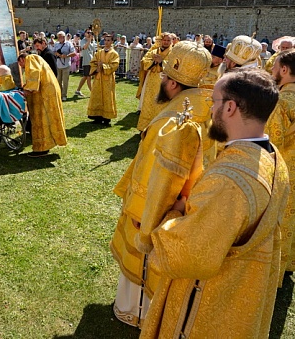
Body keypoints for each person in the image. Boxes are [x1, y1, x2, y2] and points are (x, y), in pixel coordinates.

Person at [140, 69, 289, 339]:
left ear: (230, 107)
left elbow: (189, 252)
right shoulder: (272, 157)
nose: (210, 109)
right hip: (246, 294)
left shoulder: (228, 181)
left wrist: (171, 214)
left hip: (210, 303)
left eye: (214, 101)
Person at [110, 41, 214, 328]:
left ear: (170, 82)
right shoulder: (210, 105)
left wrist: (143, 215)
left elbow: (153, 175)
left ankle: (135, 312)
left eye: (165, 78)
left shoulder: (171, 119)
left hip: (158, 207)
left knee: (144, 262)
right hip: (193, 203)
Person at [266, 49, 295, 278]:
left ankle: (275, 268)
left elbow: (273, 140)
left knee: (281, 217)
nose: (272, 71)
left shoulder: (281, 101)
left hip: (285, 167)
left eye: (274, 67)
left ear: (284, 70)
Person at [17, 53, 67, 157]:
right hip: (48, 91)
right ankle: (47, 144)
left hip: (44, 94)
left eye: (21, 64)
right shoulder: (38, 58)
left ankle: (41, 148)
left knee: (41, 119)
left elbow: (34, 73)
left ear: (22, 59)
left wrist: (29, 89)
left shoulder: (30, 58)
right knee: (49, 119)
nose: (22, 67)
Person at [136, 33, 173, 131]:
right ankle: (145, 127)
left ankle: (159, 128)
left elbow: (174, 66)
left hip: (164, 82)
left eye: (168, 40)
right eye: (164, 40)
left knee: (161, 104)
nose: (166, 42)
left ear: (171, 41)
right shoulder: (154, 51)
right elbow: (144, 61)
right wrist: (153, 62)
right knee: (148, 103)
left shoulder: (173, 53)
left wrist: (161, 62)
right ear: (161, 41)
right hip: (151, 80)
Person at [87, 34, 119, 126]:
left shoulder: (114, 54)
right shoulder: (99, 52)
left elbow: (114, 65)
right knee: (97, 96)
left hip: (107, 79)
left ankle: (106, 118)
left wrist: (104, 66)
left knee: (107, 97)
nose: (106, 42)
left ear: (112, 41)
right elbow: (92, 62)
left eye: (109, 40)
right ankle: (97, 116)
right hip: (98, 78)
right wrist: (96, 68)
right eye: (105, 40)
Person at [54, 31, 76, 101]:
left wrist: (66, 56)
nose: (60, 38)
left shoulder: (69, 43)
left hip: (66, 65)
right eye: (59, 37)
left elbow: (74, 53)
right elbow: (54, 52)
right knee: (58, 81)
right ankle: (59, 94)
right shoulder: (56, 44)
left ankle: (64, 95)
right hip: (58, 65)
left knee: (65, 81)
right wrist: (57, 54)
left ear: (64, 37)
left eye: (62, 37)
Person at [75, 30, 97, 97]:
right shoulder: (83, 41)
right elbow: (84, 47)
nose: (89, 34)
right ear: (85, 33)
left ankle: (78, 90)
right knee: (88, 77)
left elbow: (94, 51)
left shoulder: (93, 41)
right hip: (86, 61)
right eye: (88, 33)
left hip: (91, 61)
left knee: (85, 77)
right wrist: (89, 40)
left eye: (91, 33)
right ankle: (93, 92)